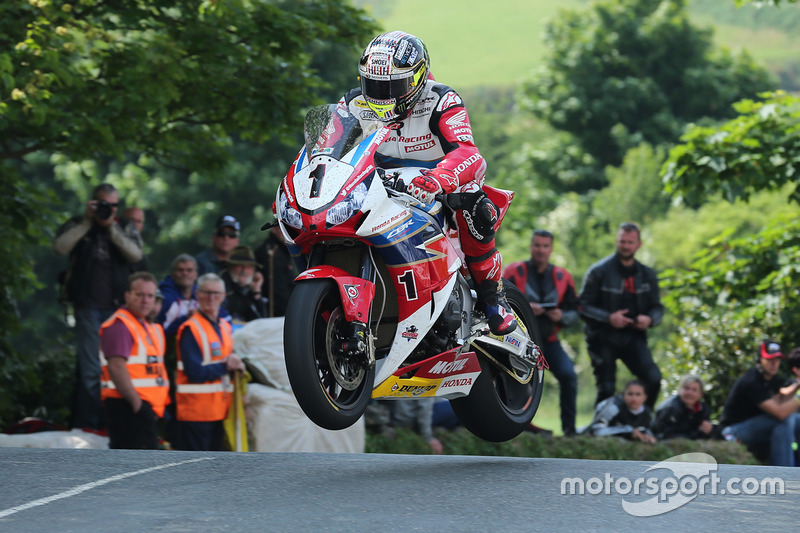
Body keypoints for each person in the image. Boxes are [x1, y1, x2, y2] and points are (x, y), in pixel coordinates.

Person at [339, 30, 517, 338]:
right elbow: (325, 152)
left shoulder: (441, 99)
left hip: (434, 183)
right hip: (376, 184)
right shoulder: (352, 104)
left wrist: (440, 178)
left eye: (393, 86)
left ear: (416, 79)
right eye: (374, 86)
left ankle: (493, 297)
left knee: (474, 203)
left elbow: (468, 153)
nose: (383, 96)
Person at [53, 183, 144, 430]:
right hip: (87, 306)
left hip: (118, 309)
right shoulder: (79, 224)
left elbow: (136, 255)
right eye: (103, 205)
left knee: (116, 367)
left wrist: (111, 227)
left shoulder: (123, 227)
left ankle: (110, 424)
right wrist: (87, 222)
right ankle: (89, 425)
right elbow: (60, 247)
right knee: (91, 369)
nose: (108, 210)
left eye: (113, 206)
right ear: (92, 203)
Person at [579, 222, 664, 409]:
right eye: (622, 241)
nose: (625, 246)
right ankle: (600, 431)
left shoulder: (647, 274)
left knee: (653, 378)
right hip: (602, 337)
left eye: (630, 242)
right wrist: (608, 318)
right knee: (606, 387)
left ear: (638, 244)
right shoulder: (598, 271)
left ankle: (642, 423)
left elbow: (658, 307)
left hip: (633, 337)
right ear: (617, 242)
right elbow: (582, 306)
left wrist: (649, 319)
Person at [504, 229, 579, 435]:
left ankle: (570, 431)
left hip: (550, 340)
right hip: (521, 340)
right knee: (519, 378)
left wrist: (561, 317)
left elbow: (576, 312)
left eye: (545, 246)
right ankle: (522, 426)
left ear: (551, 249)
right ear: (531, 247)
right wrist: (527, 308)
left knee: (569, 375)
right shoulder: (513, 271)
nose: (541, 250)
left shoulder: (563, 276)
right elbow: (499, 302)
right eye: (537, 245)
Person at [174, 273, 245, 451]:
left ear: (223, 296)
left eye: (216, 293)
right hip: (196, 414)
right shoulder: (191, 328)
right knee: (198, 471)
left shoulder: (224, 326)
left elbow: (227, 357)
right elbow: (194, 372)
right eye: (206, 293)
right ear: (197, 295)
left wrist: (238, 365)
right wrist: (226, 366)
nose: (211, 298)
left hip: (220, 411)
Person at [98, 272, 169, 449]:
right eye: (139, 295)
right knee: (134, 469)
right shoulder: (120, 325)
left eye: (150, 296)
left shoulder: (142, 325)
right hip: (128, 407)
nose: (145, 301)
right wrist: (137, 404)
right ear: (127, 295)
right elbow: (116, 367)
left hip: (142, 408)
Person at [720, 340, 800, 466]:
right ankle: (785, 476)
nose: (774, 364)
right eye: (770, 359)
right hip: (733, 433)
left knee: (796, 419)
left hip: (757, 428)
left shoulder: (770, 378)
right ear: (760, 360)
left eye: (777, 360)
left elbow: (779, 398)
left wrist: (797, 386)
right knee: (786, 419)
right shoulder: (752, 381)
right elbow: (779, 413)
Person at [585, 380, 656, 443]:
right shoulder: (612, 407)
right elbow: (596, 430)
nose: (634, 399)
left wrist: (647, 436)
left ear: (645, 397)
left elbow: (647, 429)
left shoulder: (647, 412)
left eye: (638, 394)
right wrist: (627, 432)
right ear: (623, 394)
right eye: (630, 394)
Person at [652, 375, 713, 440]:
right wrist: (695, 435)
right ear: (680, 390)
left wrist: (708, 431)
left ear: (700, 394)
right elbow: (665, 436)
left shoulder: (703, 409)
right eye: (686, 388)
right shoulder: (670, 408)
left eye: (694, 390)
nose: (690, 393)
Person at [220, 245, 269, 324]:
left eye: (249, 266)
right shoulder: (219, 287)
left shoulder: (251, 288)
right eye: (239, 265)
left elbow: (263, 322)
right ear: (230, 267)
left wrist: (256, 292)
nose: (244, 270)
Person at [253, 225, 295, 317]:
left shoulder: (282, 250)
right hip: (277, 315)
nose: (288, 232)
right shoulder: (271, 252)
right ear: (274, 229)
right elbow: (277, 291)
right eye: (284, 228)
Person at [157, 254, 200, 339]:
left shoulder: (202, 296)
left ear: (196, 274)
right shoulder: (164, 299)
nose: (185, 273)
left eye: (189, 270)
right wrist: (185, 319)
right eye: (180, 270)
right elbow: (158, 334)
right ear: (173, 273)